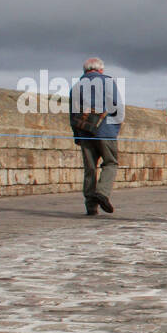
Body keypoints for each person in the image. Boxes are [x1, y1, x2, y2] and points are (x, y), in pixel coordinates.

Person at [68, 57, 124, 216]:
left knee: (90, 168)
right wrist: (114, 129)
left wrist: (77, 135)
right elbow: (117, 106)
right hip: (106, 130)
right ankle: (102, 192)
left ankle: (91, 206)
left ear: (85, 70)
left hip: (85, 132)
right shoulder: (107, 82)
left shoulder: (76, 86)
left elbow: (73, 115)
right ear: (101, 70)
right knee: (111, 163)